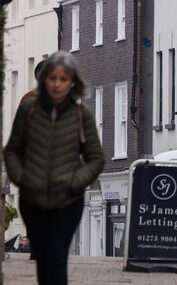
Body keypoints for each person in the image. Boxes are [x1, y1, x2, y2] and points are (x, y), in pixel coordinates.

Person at [4, 51, 104, 285]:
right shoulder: (28, 110)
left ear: (72, 83)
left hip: (67, 200)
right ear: (44, 80)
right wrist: (22, 178)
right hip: (32, 198)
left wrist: (75, 182)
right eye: (52, 78)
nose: (57, 84)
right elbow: (12, 150)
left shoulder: (82, 115)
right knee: (43, 260)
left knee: (57, 257)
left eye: (63, 79)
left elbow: (96, 158)